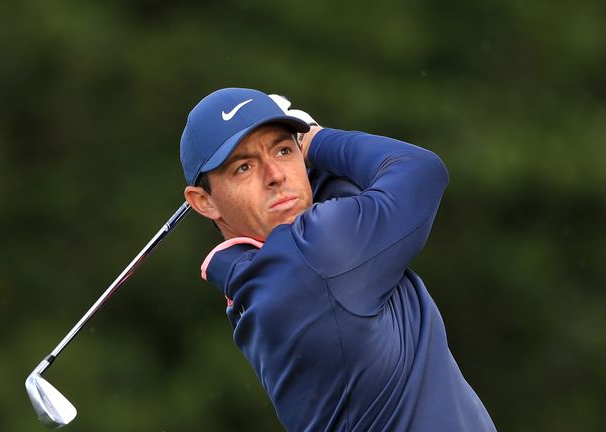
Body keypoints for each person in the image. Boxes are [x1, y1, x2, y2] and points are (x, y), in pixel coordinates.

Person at [179, 87, 496, 431]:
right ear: (203, 201)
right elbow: (419, 170)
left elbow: (322, 207)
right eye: (243, 168)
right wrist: (316, 140)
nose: (275, 175)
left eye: (283, 150)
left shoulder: (254, 280)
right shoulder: (318, 258)